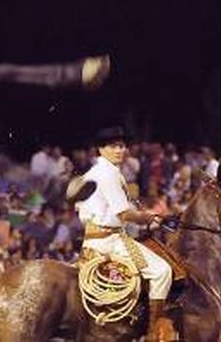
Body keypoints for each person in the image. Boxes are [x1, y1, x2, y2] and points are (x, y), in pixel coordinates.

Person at [71, 126, 174, 341]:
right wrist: (146, 216)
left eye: (122, 145)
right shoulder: (108, 174)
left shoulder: (91, 173)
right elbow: (124, 214)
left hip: (91, 241)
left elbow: (81, 212)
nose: (120, 150)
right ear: (101, 149)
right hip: (111, 240)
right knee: (162, 271)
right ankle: (154, 332)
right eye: (113, 146)